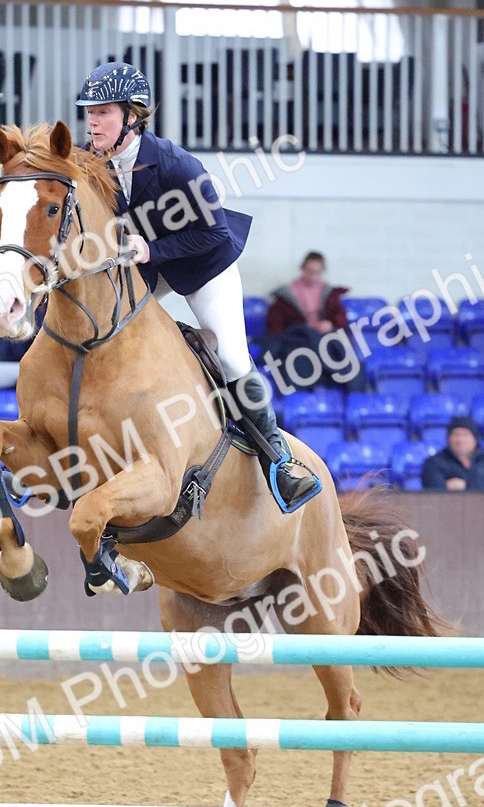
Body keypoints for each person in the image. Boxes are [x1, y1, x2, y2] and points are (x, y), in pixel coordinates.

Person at [75, 62, 320, 513]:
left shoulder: (176, 165)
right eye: (89, 111)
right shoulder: (90, 161)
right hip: (146, 262)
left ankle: (281, 465)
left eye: (103, 111)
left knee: (229, 356)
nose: (92, 120)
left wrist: (151, 250)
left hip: (205, 263)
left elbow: (215, 235)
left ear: (132, 116)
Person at [265, 252, 366, 392]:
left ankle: (351, 393)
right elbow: (277, 327)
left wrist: (330, 324)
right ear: (303, 268)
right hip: (300, 339)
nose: (313, 276)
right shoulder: (286, 295)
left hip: (325, 337)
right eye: (310, 271)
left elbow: (340, 318)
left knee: (344, 352)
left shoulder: (328, 293)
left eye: (317, 272)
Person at [421, 417, 484, 491]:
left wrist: (466, 486)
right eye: (456, 434)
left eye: (466, 435)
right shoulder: (434, 463)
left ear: (475, 439)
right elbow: (432, 490)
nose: (460, 440)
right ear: (448, 439)